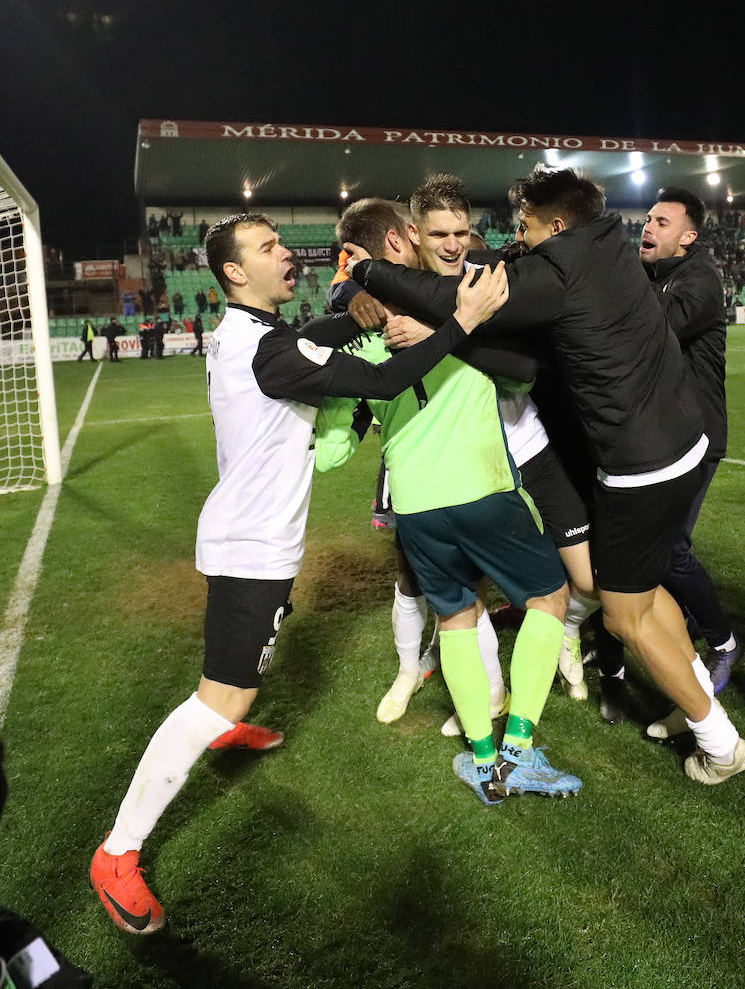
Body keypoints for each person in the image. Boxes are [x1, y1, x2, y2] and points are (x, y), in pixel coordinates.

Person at [89, 213, 509, 935]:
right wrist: (461, 322)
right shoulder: (267, 355)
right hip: (250, 549)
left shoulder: (259, 337)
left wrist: (353, 306)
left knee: (236, 682)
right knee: (221, 695)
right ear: (231, 272)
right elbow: (384, 377)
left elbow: (315, 336)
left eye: (282, 243)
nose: (287, 254)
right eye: (268, 248)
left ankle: (224, 723)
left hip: (261, 544)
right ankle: (117, 854)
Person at [349, 166, 745, 784]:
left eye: (529, 223)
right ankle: (699, 700)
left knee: (623, 614)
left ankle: (720, 744)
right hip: (680, 447)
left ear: (558, 225)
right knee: (642, 592)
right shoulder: (610, 245)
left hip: (639, 466)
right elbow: (488, 266)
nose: (518, 232)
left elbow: (459, 303)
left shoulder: (555, 275)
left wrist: (365, 272)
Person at [319, 198, 579, 804]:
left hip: (413, 504)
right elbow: (519, 369)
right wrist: (450, 326)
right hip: (480, 487)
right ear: (407, 238)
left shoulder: (357, 327)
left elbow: (331, 451)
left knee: (457, 614)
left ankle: (482, 764)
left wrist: (344, 300)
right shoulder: (464, 298)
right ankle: (517, 752)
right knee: (549, 597)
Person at [626, 187, 742, 702]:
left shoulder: (699, 281)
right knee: (648, 547)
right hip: (658, 435)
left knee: (670, 548)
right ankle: (679, 628)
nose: (649, 227)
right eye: (648, 219)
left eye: (663, 222)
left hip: (696, 437)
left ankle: (725, 641)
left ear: (688, 238)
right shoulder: (651, 275)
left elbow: (655, 328)